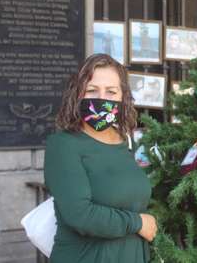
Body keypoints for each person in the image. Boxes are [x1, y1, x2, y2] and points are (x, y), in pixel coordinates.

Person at [44, 54, 157, 262]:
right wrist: (138, 223)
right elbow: (80, 215)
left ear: (123, 97)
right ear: (77, 94)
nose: (101, 98)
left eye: (111, 92)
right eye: (92, 90)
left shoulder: (126, 143)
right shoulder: (62, 145)